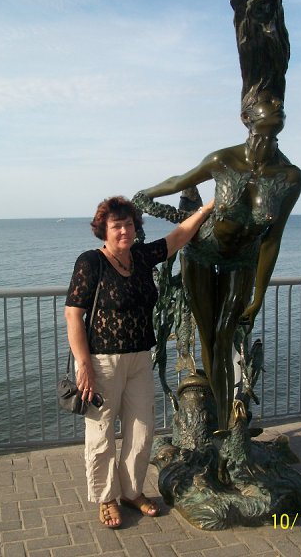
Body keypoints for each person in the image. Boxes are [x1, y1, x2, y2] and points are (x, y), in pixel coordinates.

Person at [136, 88, 301, 435]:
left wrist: (259, 296)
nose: (276, 103)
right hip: (201, 250)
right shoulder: (223, 159)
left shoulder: (290, 177)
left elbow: (272, 239)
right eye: (266, 102)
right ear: (246, 118)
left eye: (277, 102)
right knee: (209, 334)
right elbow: (179, 181)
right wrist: (144, 195)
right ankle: (220, 420)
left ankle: (225, 421)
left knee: (224, 336)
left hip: (242, 259)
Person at [64, 195, 214, 528]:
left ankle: (131, 491)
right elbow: (73, 314)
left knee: (142, 430)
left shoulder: (142, 257)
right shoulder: (91, 262)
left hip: (140, 358)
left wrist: (206, 210)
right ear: (104, 230)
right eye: (116, 226)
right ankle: (106, 497)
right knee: (101, 433)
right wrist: (83, 364)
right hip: (101, 361)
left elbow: (177, 237)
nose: (124, 231)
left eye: (129, 225)